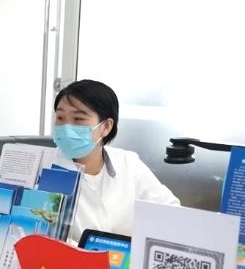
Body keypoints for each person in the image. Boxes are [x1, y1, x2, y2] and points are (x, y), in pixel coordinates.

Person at [51, 79, 180, 244]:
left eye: (78, 119)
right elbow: (39, 234)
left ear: (105, 127)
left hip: (125, 258)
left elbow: (171, 212)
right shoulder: (44, 169)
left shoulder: (128, 163)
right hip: (70, 259)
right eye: (60, 117)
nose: (66, 127)